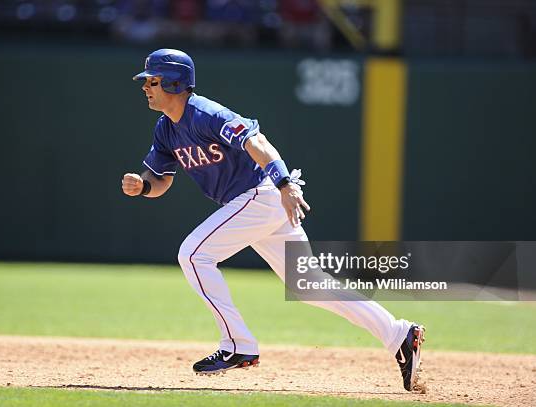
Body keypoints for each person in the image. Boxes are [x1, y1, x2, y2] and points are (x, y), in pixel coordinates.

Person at [122, 48, 425, 391]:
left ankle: (238, 345)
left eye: (153, 80)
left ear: (175, 82)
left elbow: (257, 141)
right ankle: (401, 334)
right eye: (146, 81)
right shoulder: (165, 129)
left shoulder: (206, 113)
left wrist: (284, 183)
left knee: (192, 254)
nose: (146, 86)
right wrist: (144, 186)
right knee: (310, 285)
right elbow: (161, 180)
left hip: (260, 195)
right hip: (254, 204)